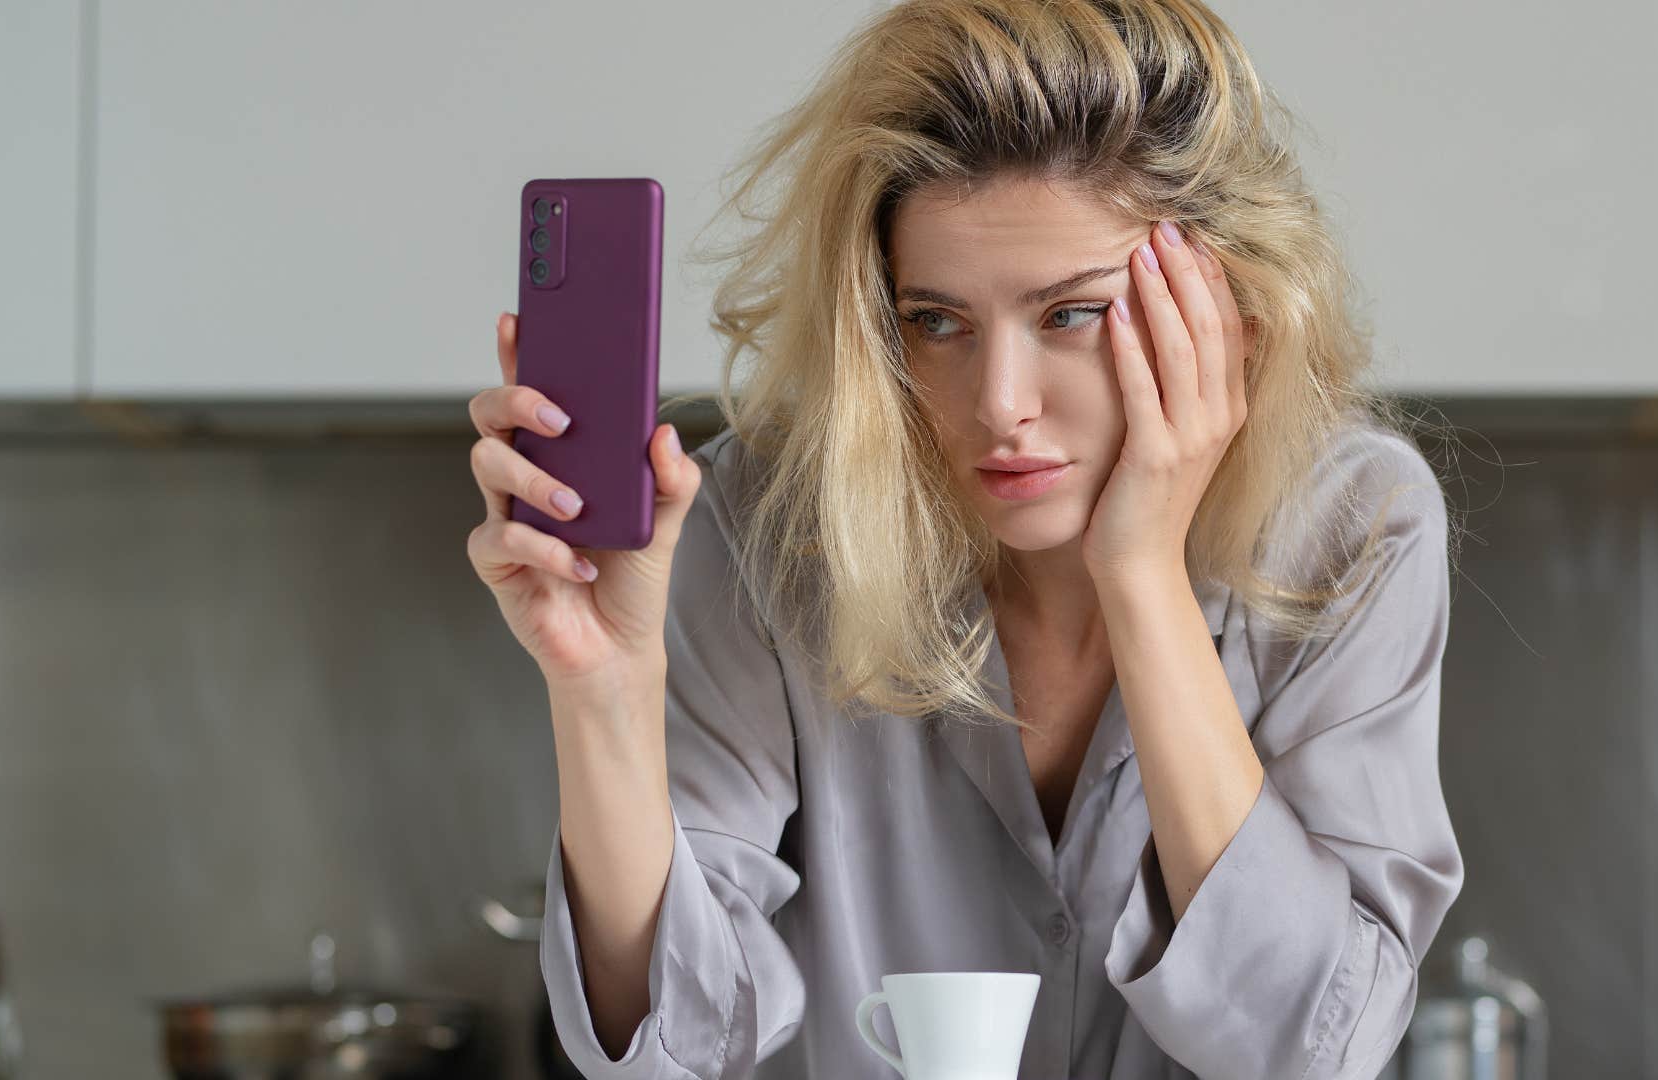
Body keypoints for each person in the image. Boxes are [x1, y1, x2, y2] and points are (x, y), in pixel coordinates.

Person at [464, 1, 1464, 1077]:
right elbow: (685, 1042)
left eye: (1071, 315)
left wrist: (1144, 579)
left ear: (1227, 312)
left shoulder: (1353, 526)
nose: (999, 404)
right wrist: (602, 689)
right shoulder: (764, 525)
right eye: (937, 322)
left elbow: (1308, 1046)